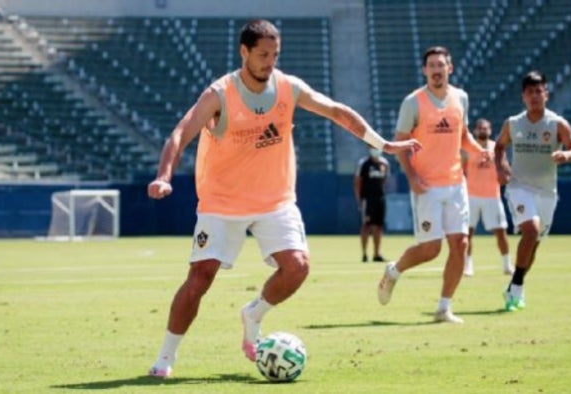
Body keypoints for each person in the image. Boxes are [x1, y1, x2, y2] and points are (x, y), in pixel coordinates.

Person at [146, 19, 421, 378]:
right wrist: (164, 176)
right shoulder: (219, 93)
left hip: (275, 200)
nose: (269, 62)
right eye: (262, 54)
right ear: (244, 52)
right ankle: (166, 357)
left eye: (275, 54)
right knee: (200, 277)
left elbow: (337, 111)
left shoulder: (288, 88)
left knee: (298, 266)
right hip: (222, 202)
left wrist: (384, 145)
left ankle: (254, 313)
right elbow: (180, 134)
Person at [376, 46, 489, 324]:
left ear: (450, 68)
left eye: (441, 65)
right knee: (430, 249)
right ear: (425, 70)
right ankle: (394, 270)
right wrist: (412, 178)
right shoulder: (412, 102)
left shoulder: (460, 98)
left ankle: (443, 307)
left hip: (455, 184)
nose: (437, 70)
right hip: (426, 186)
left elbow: (462, 137)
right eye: (431, 65)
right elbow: (400, 145)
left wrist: (479, 151)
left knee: (460, 244)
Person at [495, 70, 571, 312]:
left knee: (533, 244)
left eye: (539, 91)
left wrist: (566, 154)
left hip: (547, 192)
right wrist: (501, 168)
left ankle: (515, 287)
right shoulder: (513, 123)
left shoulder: (557, 124)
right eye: (530, 92)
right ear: (523, 96)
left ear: (546, 94)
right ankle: (517, 287)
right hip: (519, 187)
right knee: (531, 231)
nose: (535, 96)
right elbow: (499, 147)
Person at [462, 118, 512, 276]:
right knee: (467, 232)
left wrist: (506, 176)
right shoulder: (468, 148)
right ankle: (468, 265)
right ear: (475, 130)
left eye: (486, 128)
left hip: (492, 195)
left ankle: (507, 264)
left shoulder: (496, 148)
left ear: (490, 130)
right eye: (480, 128)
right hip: (471, 196)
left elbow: (505, 168)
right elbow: (461, 170)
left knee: (501, 231)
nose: (483, 131)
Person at [354, 146, 389, 263]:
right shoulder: (364, 163)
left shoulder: (384, 163)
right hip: (367, 199)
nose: (376, 150)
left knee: (378, 226)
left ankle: (376, 254)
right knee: (366, 225)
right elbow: (358, 181)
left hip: (380, 198)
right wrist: (359, 198)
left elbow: (384, 180)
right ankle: (364, 254)